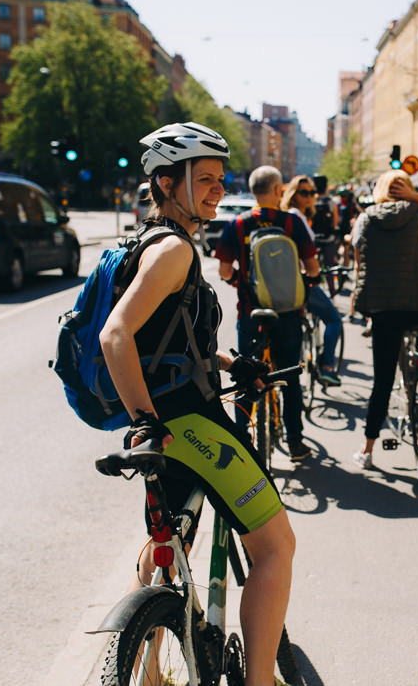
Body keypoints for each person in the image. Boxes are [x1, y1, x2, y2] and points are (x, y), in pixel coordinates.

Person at [100, 123, 295, 686]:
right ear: (167, 181)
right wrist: (146, 423)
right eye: (204, 179)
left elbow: (176, 340)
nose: (216, 189)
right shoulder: (174, 251)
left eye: (220, 178)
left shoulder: (148, 241)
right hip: (187, 424)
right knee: (276, 547)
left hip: (166, 422)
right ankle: (258, 680)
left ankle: (145, 665)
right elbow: (117, 336)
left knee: (168, 542)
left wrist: (236, 365)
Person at [215, 166, 318, 460]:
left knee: (245, 377)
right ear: (278, 190)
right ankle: (296, 443)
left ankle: (242, 442)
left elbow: (224, 270)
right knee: (289, 378)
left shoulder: (237, 224)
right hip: (288, 313)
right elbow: (313, 268)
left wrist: (242, 283)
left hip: (252, 312)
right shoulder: (292, 223)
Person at [349, 170, 418, 469]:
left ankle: (367, 451)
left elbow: (359, 264)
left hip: (383, 309)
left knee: (382, 381)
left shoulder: (365, 219)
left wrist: (361, 305)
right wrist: (414, 196)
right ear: (406, 189)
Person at [281, 175, 344, 386]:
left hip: (294, 280)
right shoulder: (294, 216)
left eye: (312, 193)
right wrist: (314, 272)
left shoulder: (298, 216)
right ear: (293, 194)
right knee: (334, 320)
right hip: (303, 279)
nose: (310, 197)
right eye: (304, 193)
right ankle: (327, 367)